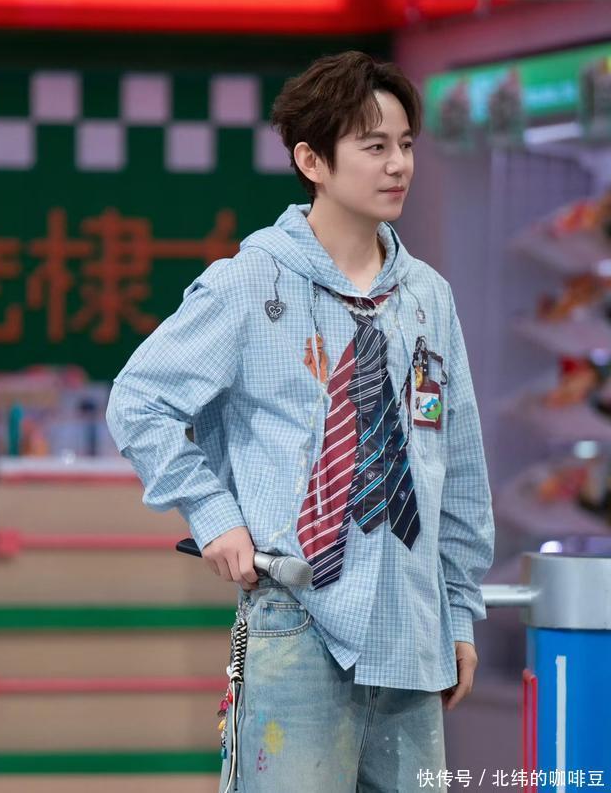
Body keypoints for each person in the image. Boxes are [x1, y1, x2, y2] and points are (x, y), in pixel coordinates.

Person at [106, 50, 495, 792]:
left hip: (414, 633)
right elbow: (139, 400)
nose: (398, 165)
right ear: (312, 160)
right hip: (297, 620)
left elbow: (461, 467)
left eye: (406, 144)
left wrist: (459, 614)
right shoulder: (251, 281)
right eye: (374, 146)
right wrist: (215, 516)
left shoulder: (428, 297)